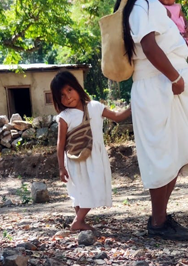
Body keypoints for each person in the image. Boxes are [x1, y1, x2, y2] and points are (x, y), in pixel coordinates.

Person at [115, 0, 188, 240]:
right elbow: (150, 46)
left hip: (165, 86)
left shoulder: (149, 6)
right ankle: (157, 222)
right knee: (162, 154)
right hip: (159, 86)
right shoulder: (144, 5)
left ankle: (161, 218)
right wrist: (175, 77)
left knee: (174, 152)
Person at [52, 71, 131, 231]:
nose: (67, 97)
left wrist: (134, 105)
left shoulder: (94, 107)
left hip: (94, 158)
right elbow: (60, 144)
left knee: (93, 186)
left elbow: (116, 116)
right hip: (75, 160)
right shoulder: (64, 116)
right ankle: (78, 221)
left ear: (77, 87)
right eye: (61, 95)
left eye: (69, 90)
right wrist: (61, 167)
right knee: (80, 189)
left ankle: (79, 220)